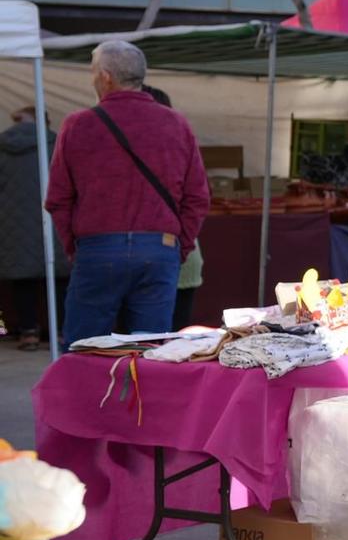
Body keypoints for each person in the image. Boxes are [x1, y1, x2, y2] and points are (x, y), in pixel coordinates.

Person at [45, 40, 208, 349]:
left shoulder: (78, 125)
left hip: (98, 247)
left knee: (85, 349)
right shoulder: (176, 123)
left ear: (106, 76)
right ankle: (143, 399)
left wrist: (76, 248)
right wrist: (178, 247)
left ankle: (85, 398)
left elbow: (58, 198)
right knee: (150, 352)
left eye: (93, 71)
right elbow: (198, 196)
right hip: (160, 247)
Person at [141, 86, 207, 331]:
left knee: (150, 342)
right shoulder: (178, 146)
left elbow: (197, 199)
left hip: (169, 256)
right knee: (171, 339)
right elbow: (198, 199)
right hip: (180, 254)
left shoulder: (169, 151)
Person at [0, 105, 64, 348]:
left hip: (13, 227)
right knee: (59, 277)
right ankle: (59, 331)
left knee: (22, 278)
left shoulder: (2, 146)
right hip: (53, 220)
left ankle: (28, 332)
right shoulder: (57, 143)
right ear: (45, 122)